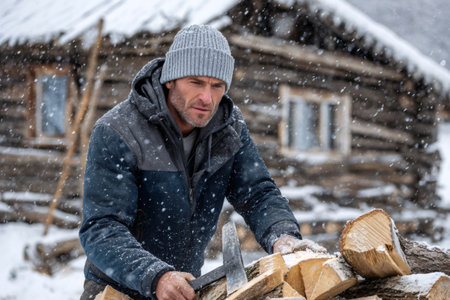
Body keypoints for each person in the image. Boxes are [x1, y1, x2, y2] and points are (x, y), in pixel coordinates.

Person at [79, 24, 325, 300]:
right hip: (116, 290)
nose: (207, 98)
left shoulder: (228, 130)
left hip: (186, 288)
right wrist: (155, 275)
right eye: (196, 82)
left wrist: (282, 236)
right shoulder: (119, 131)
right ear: (170, 79)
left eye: (217, 86)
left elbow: (258, 193)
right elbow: (101, 228)